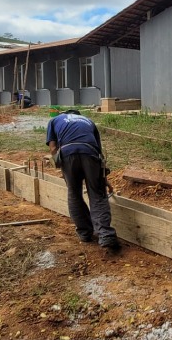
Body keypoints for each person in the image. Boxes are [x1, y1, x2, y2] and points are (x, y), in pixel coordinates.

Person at [46, 109, 121, 254]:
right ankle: (106, 236)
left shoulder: (55, 120)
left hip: (67, 153)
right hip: (90, 152)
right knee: (97, 194)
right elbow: (99, 154)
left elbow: (53, 147)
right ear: (79, 115)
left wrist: (64, 166)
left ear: (66, 113)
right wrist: (103, 180)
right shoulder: (89, 121)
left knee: (74, 193)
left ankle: (85, 233)